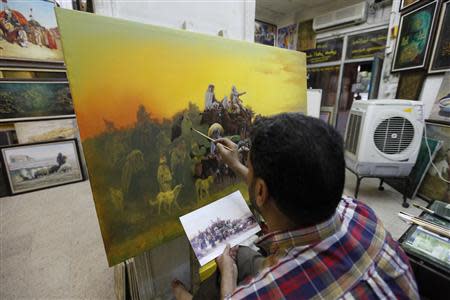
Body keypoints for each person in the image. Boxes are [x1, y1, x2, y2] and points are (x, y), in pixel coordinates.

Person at [172, 113, 418, 299]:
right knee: (247, 256)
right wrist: (237, 165)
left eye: (250, 167)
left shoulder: (263, 293)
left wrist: (228, 273)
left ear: (260, 191)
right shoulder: (360, 212)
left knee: (232, 267)